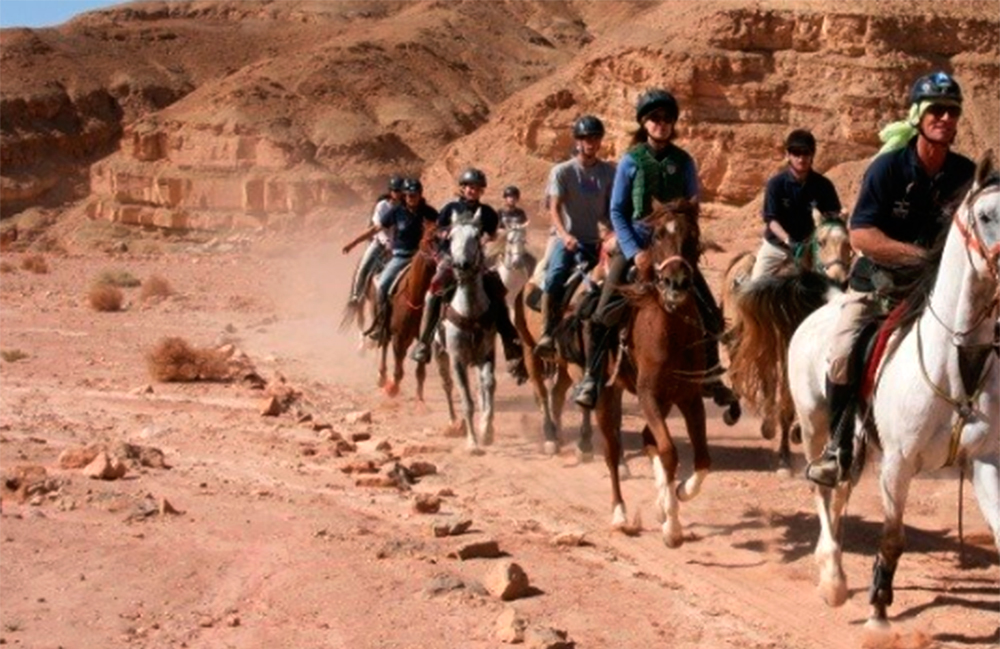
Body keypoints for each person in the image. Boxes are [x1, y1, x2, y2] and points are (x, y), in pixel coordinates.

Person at [805, 71, 976, 487]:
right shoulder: (887, 169)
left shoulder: (965, 173)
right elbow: (862, 234)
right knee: (844, 350)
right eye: (936, 109)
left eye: (952, 111)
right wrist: (921, 257)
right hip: (879, 284)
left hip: (938, 288)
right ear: (918, 115)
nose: (945, 118)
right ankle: (838, 446)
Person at [574, 88, 734, 409]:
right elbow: (618, 211)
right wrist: (634, 251)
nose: (661, 123)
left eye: (667, 119)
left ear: (673, 123)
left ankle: (711, 376)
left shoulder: (684, 162)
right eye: (654, 118)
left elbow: (693, 208)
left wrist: (685, 246)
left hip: (673, 248)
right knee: (602, 312)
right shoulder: (631, 162)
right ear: (644, 123)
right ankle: (592, 377)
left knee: (709, 314)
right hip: (636, 244)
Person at [410, 168, 528, 382]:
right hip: (450, 261)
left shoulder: (489, 213)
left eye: (476, 188)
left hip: (476, 263)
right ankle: (424, 343)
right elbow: (437, 230)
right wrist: (446, 234)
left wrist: (490, 239)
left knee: (498, 293)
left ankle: (511, 346)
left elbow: (493, 234)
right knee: (433, 294)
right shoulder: (450, 208)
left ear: (481, 190)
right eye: (469, 187)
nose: (472, 191)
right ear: (462, 188)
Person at [534, 115, 616, 357]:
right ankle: (547, 333)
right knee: (556, 275)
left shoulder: (608, 173)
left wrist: (611, 232)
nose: (590, 142)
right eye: (585, 138)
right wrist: (565, 235)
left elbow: (611, 210)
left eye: (595, 138)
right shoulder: (562, 171)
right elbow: (554, 209)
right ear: (578, 142)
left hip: (596, 240)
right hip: (567, 240)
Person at [342, 178, 437, 342]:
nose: (410, 198)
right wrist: (353, 243)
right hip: (400, 256)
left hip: (420, 256)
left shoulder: (428, 212)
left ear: (420, 195)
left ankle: (439, 330)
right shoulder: (396, 211)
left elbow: (443, 225)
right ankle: (380, 325)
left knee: (442, 286)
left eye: (414, 195)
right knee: (383, 286)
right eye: (408, 195)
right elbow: (376, 228)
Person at [750, 130, 842, 280]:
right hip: (777, 247)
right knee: (756, 284)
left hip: (811, 250)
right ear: (788, 154)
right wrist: (788, 240)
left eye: (806, 153)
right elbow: (771, 220)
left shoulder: (824, 186)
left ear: (813, 154)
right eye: (796, 153)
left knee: (834, 283)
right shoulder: (776, 184)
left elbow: (832, 218)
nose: (801, 158)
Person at [345, 175, 405, 305]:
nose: (399, 194)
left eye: (401, 191)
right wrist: (387, 243)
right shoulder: (382, 206)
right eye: (396, 191)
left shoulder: (405, 207)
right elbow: (378, 228)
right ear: (391, 192)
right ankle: (356, 295)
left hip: (399, 246)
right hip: (380, 244)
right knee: (364, 265)